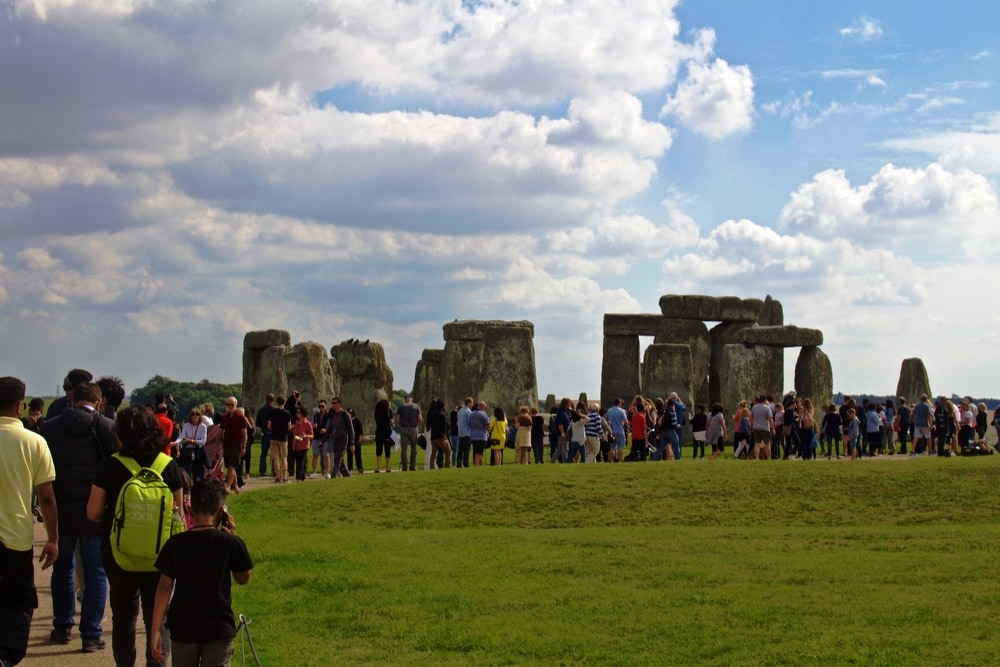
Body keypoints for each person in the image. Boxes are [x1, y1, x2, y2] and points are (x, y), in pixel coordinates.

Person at [87, 405, 185, 667]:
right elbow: (179, 518)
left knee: (123, 617)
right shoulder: (169, 467)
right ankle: (157, 662)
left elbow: (93, 512)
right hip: (159, 554)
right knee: (158, 615)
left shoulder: (109, 466)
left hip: (120, 554)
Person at [39, 382, 117, 653]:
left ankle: (62, 626)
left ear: (71, 400)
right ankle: (91, 634)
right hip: (95, 511)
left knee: (62, 570)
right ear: (98, 403)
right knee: (96, 573)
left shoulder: (50, 428)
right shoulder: (106, 428)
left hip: (61, 511)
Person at [150, 478, 252, 667]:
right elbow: (243, 578)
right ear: (222, 511)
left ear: (190, 509)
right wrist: (235, 537)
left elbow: (164, 587)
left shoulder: (175, 544)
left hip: (183, 628)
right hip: (217, 628)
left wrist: (155, 629)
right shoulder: (230, 543)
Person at [0, 377, 58, 667]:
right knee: (20, 601)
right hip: (16, 538)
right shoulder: (34, 442)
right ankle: (6, 655)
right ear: (20, 405)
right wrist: (53, 537)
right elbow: (46, 497)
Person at [217, 398, 248, 494]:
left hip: (237, 445)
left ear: (236, 406)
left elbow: (244, 433)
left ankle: (228, 486)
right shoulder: (224, 418)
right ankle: (236, 486)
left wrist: (244, 446)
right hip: (227, 445)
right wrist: (219, 443)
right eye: (228, 404)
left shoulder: (240, 418)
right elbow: (220, 431)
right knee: (231, 467)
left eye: (232, 405)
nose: (230, 407)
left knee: (231, 466)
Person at [324, 397, 355, 478]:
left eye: (335, 403)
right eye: (332, 403)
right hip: (335, 440)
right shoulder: (333, 415)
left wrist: (352, 443)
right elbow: (329, 429)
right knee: (340, 459)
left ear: (340, 404)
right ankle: (346, 475)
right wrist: (323, 440)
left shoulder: (345, 414)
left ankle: (333, 475)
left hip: (343, 439)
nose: (333, 405)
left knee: (337, 458)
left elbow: (351, 429)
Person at [174, 408, 208, 482]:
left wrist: (191, 441)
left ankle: (197, 485)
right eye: (193, 415)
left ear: (200, 416)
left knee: (197, 471)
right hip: (188, 450)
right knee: (187, 469)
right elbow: (182, 436)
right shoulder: (187, 425)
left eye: (197, 415)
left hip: (199, 450)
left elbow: (203, 441)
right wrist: (176, 442)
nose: (195, 416)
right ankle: (188, 485)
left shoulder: (203, 426)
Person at [266, 396, 292, 483]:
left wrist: (273, 429)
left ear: (277, 402)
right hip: (283, 438)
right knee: (284, 458)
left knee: (275, 459)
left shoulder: (272, 413)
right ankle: (285, 476)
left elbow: (268, 426)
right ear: (284, 402)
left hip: (274, 437)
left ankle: (277, 476)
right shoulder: (287, 413)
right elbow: (289, 427)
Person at [395, 394, 422, 471]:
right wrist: (416, 424)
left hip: (403, 428)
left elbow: (397, 419)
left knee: (404, 448)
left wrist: (401, 425)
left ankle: (404, 466)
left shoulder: (401, 407)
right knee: (414, 448)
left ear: (405, 400)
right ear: (411, 399)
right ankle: (412, 466)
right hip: (413, 428)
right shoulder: (416, 406)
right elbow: (420, 418)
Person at [289, 406, 314, 482]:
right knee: (299, 462)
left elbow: (312, 435)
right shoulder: (296, 423)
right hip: (296, 445)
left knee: (300, 462)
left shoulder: (307, 424)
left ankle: (298, 478)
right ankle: (302, 476)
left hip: (304, 445)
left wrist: (306, 436)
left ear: (302, 414)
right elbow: (293, 434)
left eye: (298, 412)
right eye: (297, 412)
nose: (297, 414)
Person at [254, 394, 276, 477]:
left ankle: (262, 471)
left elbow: (258, 424)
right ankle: (274, 470)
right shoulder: (275, 410)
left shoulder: (261, 410)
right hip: (273, 434)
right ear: (273, 400)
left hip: (265, 434)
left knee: (263, 454)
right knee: (274, 454)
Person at [427, 400, 451, 469]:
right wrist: (444, 437)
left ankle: (431, 467)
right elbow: (443, 427)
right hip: (440, 437)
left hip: (433, 436)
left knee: (433, 453)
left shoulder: (432, 414)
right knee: (448, 451)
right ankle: (447, 466)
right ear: (442, 406)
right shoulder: (442, 415)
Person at [750, 395, 774, 460]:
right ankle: (769, 458)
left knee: (756, 444)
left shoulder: (754, 407)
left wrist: (751, 426)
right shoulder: (767, 408)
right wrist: (773, 428)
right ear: (765, 400)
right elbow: (770, 419)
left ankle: (757, 458)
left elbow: (751, 418)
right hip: (765, 428)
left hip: (756, 427)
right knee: (767, 444)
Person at [373, 399, 394, 473]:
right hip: (387, 432)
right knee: (387, 450)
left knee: (379, 450)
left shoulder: (376, 414)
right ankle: (387, 467)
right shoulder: (388, 413)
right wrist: (390, 408)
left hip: (379, 432)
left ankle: (378, 467)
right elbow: (391, 419)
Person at [468, 401, 491, 467]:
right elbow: (487, 425)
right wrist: (489, 427)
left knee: (477, 451)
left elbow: (469, 424)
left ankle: (481, 466)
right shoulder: (483, 414)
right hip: (481, 435)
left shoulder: (471, 414)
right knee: (479, 452)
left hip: (472, 435)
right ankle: (475, 466)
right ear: (483, 407)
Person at [311, 400, 329, 476]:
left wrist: (325, 430)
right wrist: (313, 426)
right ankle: (314, 472)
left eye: (322, 406)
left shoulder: (329, 416)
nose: (320, 408)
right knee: (315, 455)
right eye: (319, 406)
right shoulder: (315, 416)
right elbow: (310, 426)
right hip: (316, 438)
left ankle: (327, 472)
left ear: (326, 407)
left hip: (325, 438)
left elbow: (332, 427)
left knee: (326, 456)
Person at [456, 398, 473, 468]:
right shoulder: (468, 411)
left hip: (460, 433)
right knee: (467, 449)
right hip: (467, 432)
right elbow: (470, 422)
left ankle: (459, 462)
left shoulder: (459, 411)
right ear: (469, 403)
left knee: (460, 449)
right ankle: (466, 463)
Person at [347, 408, 364, 474]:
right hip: (349, 440)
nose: (350, 414)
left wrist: (360, 438)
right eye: (348, 412)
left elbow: (360, 431)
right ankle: (350, 468)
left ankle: (360, 467)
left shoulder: (356, 421)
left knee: (358, 455)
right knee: (349, 455)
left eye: (351, 412)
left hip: (356, 440)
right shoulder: (346, 421)